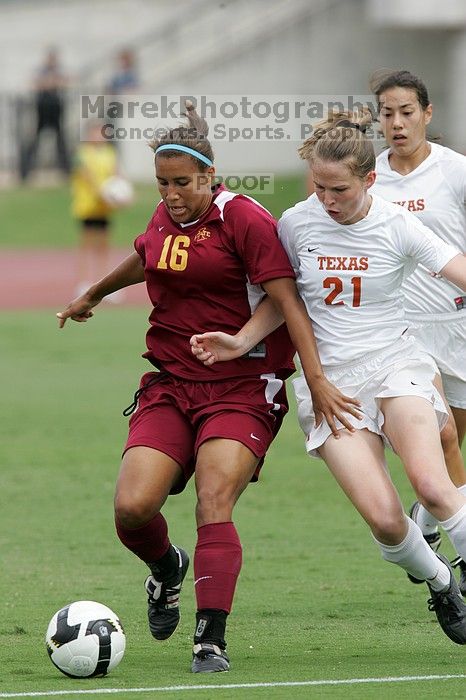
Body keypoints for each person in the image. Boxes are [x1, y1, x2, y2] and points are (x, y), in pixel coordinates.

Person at [56, 101, 359, 673]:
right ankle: (167, 568)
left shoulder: (245, 219)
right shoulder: (165, 215)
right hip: (171, 382)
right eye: (163, 183)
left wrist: (315, 379)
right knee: (132, 508)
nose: (171, 194)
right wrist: (93, 294)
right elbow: (146, 256)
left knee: (214, 498)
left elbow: (288, 301)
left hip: (243, 386)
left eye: (183, 183)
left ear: (210, 176)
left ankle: (209, 639)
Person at [190, 115, 466, 646]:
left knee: (433, 486)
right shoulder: (295, 223)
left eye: (338, 189)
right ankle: (440, 579)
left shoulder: (398, 225)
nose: (327, 200)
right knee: (386, 524)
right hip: (331, 386)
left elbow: (456, 267)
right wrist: (242, 341)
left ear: (369, 181)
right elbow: (282, 297)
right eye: (318, 187)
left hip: (395, 364)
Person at [368, 69, 466, 589]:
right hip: (402, 331)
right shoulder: (371, 177)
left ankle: (427, 524)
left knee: (455, 440)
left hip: (458, 323)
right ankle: (459, 557)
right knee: (442, 433)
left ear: (427, 114)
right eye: (388, 113)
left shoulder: (455, 171)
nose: (398, 123)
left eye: (407, 112)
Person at [71, 121, 122, 297]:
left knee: (104, 246)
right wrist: (103, 192)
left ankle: (103, 284)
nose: (98, 137)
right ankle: (83, 282)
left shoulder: (110, 153)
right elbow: (87, 176)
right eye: (95, 133)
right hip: (88, 205)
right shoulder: (82, 154)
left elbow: (116, 175)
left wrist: (121, 193)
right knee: (87, 244)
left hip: (104, 207)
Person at [21, 48, 70, 181]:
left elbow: (65, 83)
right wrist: (47, 83)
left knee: (61, 143)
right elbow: (35, 84)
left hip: (56, 112)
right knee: (34, 142)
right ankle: (25, 172)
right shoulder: (41, 71)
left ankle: (67, 172)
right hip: (42, 112)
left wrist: (53, 82)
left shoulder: (59, 72)